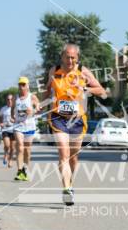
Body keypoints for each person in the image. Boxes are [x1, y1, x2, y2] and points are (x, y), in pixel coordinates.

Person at [45, 43, 107, 206]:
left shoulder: (83, 72)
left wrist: (85, 88)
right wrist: (40, 105)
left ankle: (70, 183)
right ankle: (66, 189)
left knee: (73, 157)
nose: (70, 60)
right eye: (67, 57)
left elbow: (102, 91)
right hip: (58, 117)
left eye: (73, 57)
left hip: (77, 119)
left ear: (77, 58)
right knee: (63, 154)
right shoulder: (54, 71)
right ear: (62, 56)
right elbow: (47, 91)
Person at [12, 77, 40, 181]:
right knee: (20, 146)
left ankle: (25, 170)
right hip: (18, 126)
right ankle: (19, 171)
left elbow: (38, 108)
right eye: (20, 85)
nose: (22, 87)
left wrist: (33, 110)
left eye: (24, 84)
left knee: (27, 150)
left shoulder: (32, 97)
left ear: (28, 86)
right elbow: (12, 109)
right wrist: (12, 117)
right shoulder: (16, 98)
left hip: (30, 126)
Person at [0, 93, 16, 167]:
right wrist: (1, 123)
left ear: (13, 100)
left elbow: (19, 119)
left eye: (11, 99)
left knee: (12, 148)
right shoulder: (3, 109)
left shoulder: (16, 109)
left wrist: (14, 120)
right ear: (6, 100)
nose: (9, 101)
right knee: (7, 145)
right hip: (5, 130)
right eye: (8, 99)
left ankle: (10, 161)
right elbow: (0, 119)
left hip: (14, 129)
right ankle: (5, 154)